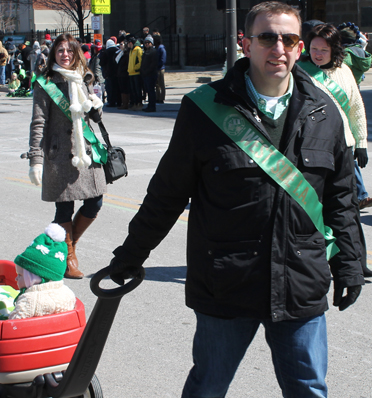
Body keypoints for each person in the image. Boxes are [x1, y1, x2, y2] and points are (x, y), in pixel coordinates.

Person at [108, 2, 364, 397]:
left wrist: (350, 263)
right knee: (207, 387)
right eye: (266, 37)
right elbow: (166, 194)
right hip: (226, 284)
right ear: (246, 43)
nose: (278, 47)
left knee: (309, 390)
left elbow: (341, 200)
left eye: (289, 39)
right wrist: (130, 254)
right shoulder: (204, 109)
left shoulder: (325, 112)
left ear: (299, 47)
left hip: (300, 284)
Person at [24, 34, 106, 279]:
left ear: (77, 53)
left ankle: (67, 245)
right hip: (60, 154)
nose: (65, 55)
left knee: (96, 201)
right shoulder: (45, 82)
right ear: (53, 54)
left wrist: (96, 105)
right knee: (64, 210)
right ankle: (68, 256)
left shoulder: (85, 78)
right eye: (60, 50)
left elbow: (95, 120)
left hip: (86, 151)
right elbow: (38, 123)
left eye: (69, 50)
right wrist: (35, 160)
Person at [299, 23, 372, 278]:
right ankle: (314, 260)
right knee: (313, 208)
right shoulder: (300, 72)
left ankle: (357, 260)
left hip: (344, 150)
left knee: (347, 208)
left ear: (335, 50)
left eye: (324, 49)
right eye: (314, 48)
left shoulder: (344, 72)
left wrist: (361, 142)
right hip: (312, 150)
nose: (317, 53)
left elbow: (356, 107)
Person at [9, 223, 76, 319]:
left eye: (20, 275)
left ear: (34, 278)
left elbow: (12, 325)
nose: (16, 278)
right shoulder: (68, 294)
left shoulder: (29, 301)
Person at [140, 35, 158, 112]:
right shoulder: (145, 52)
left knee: (151, 91)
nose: (146, 44)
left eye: (148, 42)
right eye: (145, 42)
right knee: (147, 90)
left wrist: (146, 71)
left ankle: (152, 106)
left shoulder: (153, 52)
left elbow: (153, 65)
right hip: (145, 74)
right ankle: (149, 105)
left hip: (151, 74)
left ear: (151, 43)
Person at [127, 35, 143, 110]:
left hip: (136, 73)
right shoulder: (131, 50)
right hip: (131, 73)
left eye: (128, 43)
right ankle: (135, 103)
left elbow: (140, 60)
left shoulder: (138, 49)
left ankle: (139, 103)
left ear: (131, 43)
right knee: (133, 90)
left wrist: (136, 68)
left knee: (137, 89)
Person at [154, 35, 167, 104]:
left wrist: (157, 64)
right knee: (157, 85)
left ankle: (161, 98)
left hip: (160, 69)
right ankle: (157, 97)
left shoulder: (161, 49)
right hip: (156, 68)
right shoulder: (156, 48)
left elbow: (163, 60)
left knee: (161, 84)